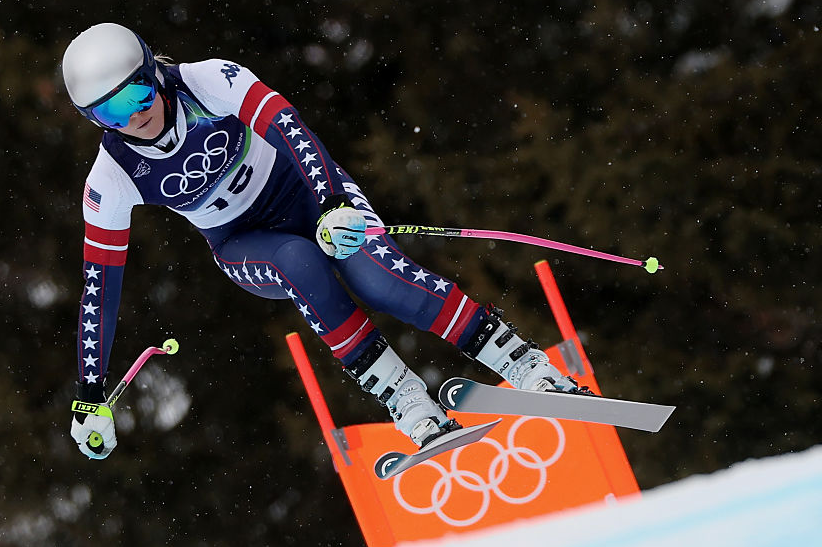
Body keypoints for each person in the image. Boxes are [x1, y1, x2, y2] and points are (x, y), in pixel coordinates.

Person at [62, 23, 582, 460]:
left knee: (377, 278)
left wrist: (333, 200)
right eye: (109, 114)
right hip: (246, 242)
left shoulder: (206, 80)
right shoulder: (109, 179)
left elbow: (290, 127)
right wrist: (89, 394)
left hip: (310, 193)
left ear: (154, 70)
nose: (133, 116)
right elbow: (99, 289)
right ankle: (407, 401)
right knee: (298, 262)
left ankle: (521, 362)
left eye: (136, 94)